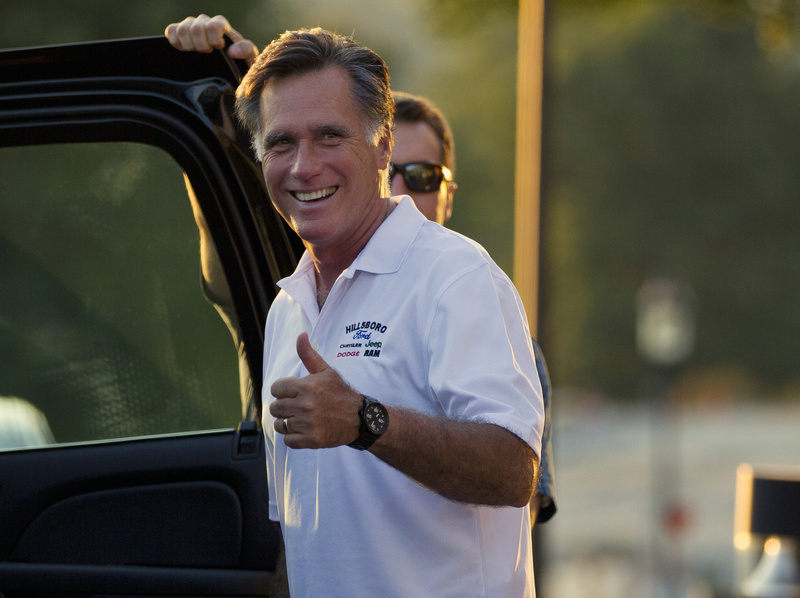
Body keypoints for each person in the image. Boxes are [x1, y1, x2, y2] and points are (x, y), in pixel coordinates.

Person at [168, 17, 544, 598]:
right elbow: (306, 536)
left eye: (329, 136)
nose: (303, 166)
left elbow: (514, 471)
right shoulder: (287, 306)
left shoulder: (455, 276)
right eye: (281, 143)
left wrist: (366, 420)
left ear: (382, 145)